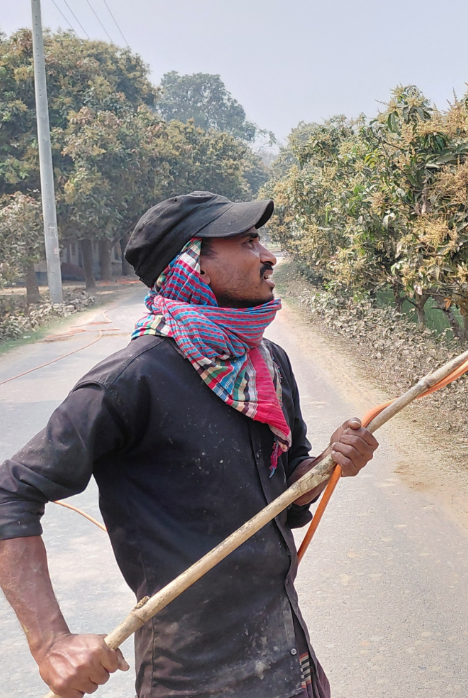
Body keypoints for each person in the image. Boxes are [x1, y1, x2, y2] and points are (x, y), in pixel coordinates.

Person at [0, 192, 379, 698]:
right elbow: (11, 493)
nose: (268, 256)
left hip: (291, 659)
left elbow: (284, 487)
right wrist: (51, 643)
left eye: (261, 241)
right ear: (191, 265)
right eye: (247, 242)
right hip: (194, 678)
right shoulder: (131, 380)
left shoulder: (267, 362)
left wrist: (327, 466)